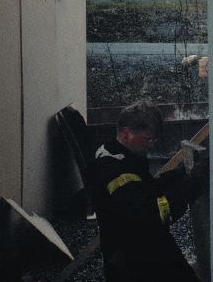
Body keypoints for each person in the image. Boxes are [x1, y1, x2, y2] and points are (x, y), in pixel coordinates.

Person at [88, 101, 205, 282]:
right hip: (133, 261)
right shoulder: (114, 171)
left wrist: (180, 174)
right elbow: (153, 212)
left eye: (154, 140)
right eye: (147, 139)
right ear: (126, 133)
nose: (151, 145)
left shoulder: (120, 154)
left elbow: (146, 187)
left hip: (139, 249)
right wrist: (189, 187)